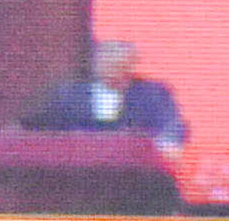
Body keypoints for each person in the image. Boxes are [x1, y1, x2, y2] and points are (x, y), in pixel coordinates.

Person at [18, 34, 185, 149]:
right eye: (106, 62)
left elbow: (172, 129)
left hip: (136, 176)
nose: (111, 68)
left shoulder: (152, 94)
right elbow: (36, 125)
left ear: (130, 66)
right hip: (76, 172)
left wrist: (165, 145)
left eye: (118, 65)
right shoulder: (70, 94)